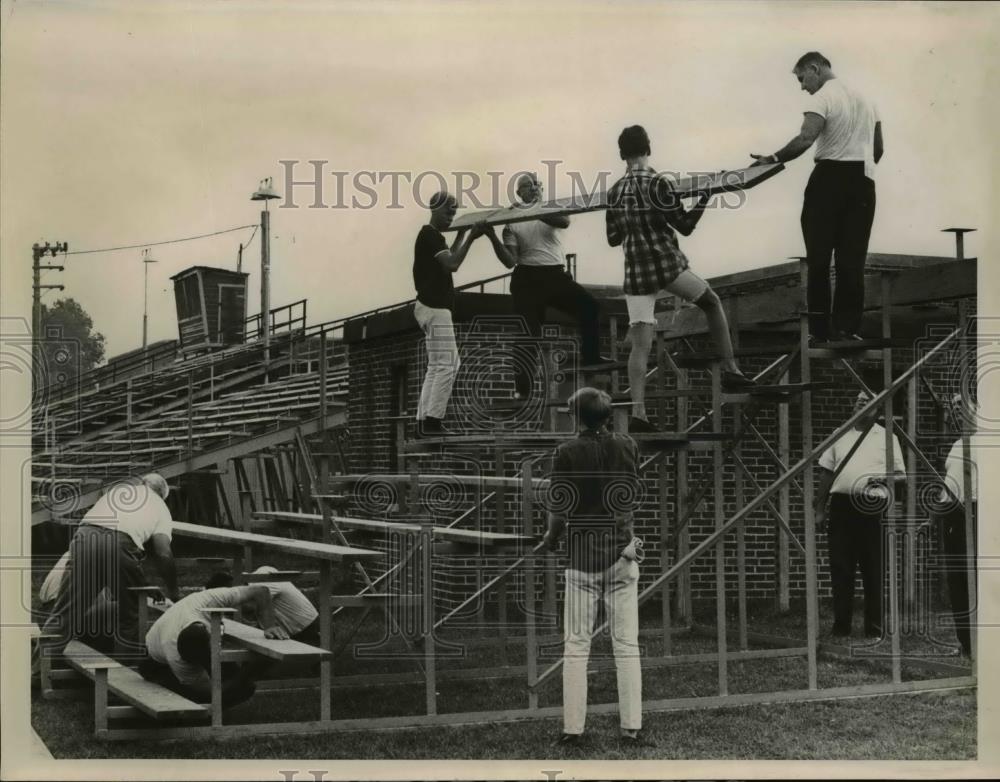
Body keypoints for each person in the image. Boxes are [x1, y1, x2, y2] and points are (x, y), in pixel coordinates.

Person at [606, 125, 754, 434]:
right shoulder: (658, 182)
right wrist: (706, 196)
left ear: (622, 154)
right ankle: (730, 368)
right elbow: (685, 226)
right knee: (711, 302)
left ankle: (639, 413)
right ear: (649, 148)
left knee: (640, 342)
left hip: (635, 271)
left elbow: (612, 237)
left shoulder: (615, 190)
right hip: (664, 263)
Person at [540, 387, 651, 748]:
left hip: (583, 555)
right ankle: (631, 727)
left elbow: (559, 510)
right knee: (627, 645)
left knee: (576, 647)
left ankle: (573, 729)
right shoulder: (627, 445)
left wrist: (551, 539)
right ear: (608, 415)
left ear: (576, 417)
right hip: (623, 551)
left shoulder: (566, 452)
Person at [751, 51, 883, 342]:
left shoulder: (822, 97)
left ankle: (821, 331)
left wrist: (772, 158)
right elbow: (879, 149)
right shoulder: (867, 98)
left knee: (819, 259)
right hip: (863, 181)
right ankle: (848, 329)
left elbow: (805, 139)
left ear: (814, 68)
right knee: (852, 260)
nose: (802, 86)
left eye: (802, 78)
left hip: (829, 179)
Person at [484, 173, 606, 402]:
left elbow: (564, 222)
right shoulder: (511, 220)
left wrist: (537, 207)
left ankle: (591, 360)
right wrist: (491, 235)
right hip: (527, 278)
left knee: (590, 307)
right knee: (528, 333)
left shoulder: (550, 208)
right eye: (528, 186)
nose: (534, 188)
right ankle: (522, 389)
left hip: (555, 275)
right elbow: (511, 260)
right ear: (518, 192)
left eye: (537, 184)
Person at [38, 473, 179, 664]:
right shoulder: (161, 507)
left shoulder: (119, 492)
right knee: (130, 613)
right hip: (120, 542)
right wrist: (173, 590)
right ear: (162, 494)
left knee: (67, 610)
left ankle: (37, 671)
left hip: (85, 535)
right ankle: (125, 674)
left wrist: (140, 581)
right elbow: (163, 553)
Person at [815, 391, 905, 638]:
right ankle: (841, 625)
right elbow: (826, 473)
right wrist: (820, 510)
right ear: (853, 405)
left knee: (873, 567)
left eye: (869, 401)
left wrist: (880, 479)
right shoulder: (840, 434)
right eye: (859, 400)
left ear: (878, 408)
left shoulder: (887, 437)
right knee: (841, 567)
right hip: (842, 507)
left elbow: (900, 474)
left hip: (872, 507)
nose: (863, 403)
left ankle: (874, 628)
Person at [140, 583, 293, 708]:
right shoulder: (175, 655)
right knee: (237, 690)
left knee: (233, 678)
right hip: (155, 665)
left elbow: (261, 591)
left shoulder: (208, 600)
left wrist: (270, 626)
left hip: (173, 638)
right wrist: (251, 671)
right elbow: (213, 695)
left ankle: (220, 667)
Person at [412, 191, 487, 435]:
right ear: (434, 208)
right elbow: (453, 264)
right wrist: (472, 238)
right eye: (448, 211)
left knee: (436, 366)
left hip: (428, 307)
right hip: (436, 308)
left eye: (454, 212)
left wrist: (462, 235)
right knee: (449, 364)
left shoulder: (433, 237)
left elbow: (448, 260)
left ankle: (423, 421)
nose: (451, 216)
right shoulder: (430, 235)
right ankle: (433, 422)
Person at [936, 395, 979, 658]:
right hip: (953, 515)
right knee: (958, 580)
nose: (957, 412)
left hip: (978, 511)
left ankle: (985, 642)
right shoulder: (956, 445)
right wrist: (933, 517)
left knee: (980, 579)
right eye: (953, 409)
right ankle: (966, 644)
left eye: (962, 406)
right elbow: (948, 487)